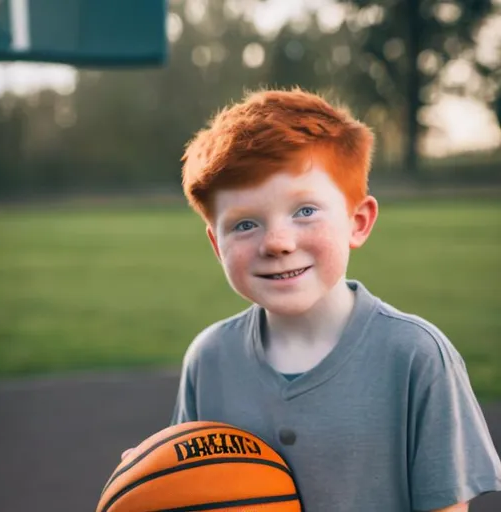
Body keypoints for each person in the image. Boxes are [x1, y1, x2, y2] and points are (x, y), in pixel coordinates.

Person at [129, 88, 501, 511]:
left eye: (304, 211)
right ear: (217, 245)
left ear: (357, 222)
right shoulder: (210, 359)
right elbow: (186, 486)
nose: (278, 242)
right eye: (245, 224)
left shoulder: (416, 356)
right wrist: (147, 478)